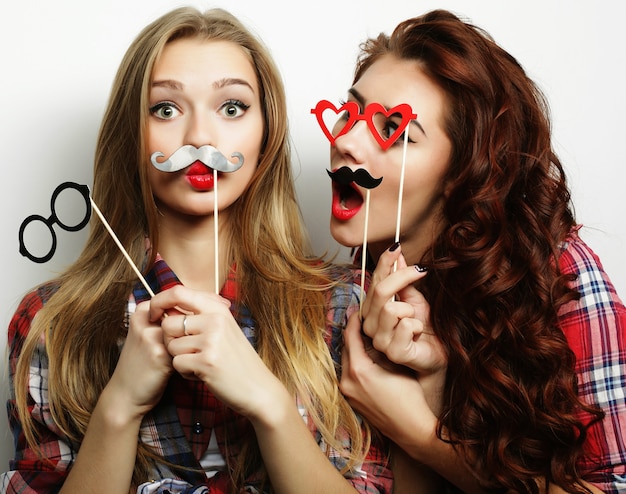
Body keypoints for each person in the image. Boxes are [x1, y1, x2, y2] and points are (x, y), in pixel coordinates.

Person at [1, 7, 394, 494]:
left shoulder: (345, 309)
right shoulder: (50, 323)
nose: (200, 139)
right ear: (131, 134)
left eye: (231, 108)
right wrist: (119, 406)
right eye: (165, 109)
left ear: (265, 134)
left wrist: (268, 403)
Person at [314, 8, 626, 494]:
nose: (346, 141)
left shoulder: (558, 272)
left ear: (463, 173)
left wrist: (418, 432)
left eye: (393, 131)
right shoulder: (341, 301)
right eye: (350, 113)